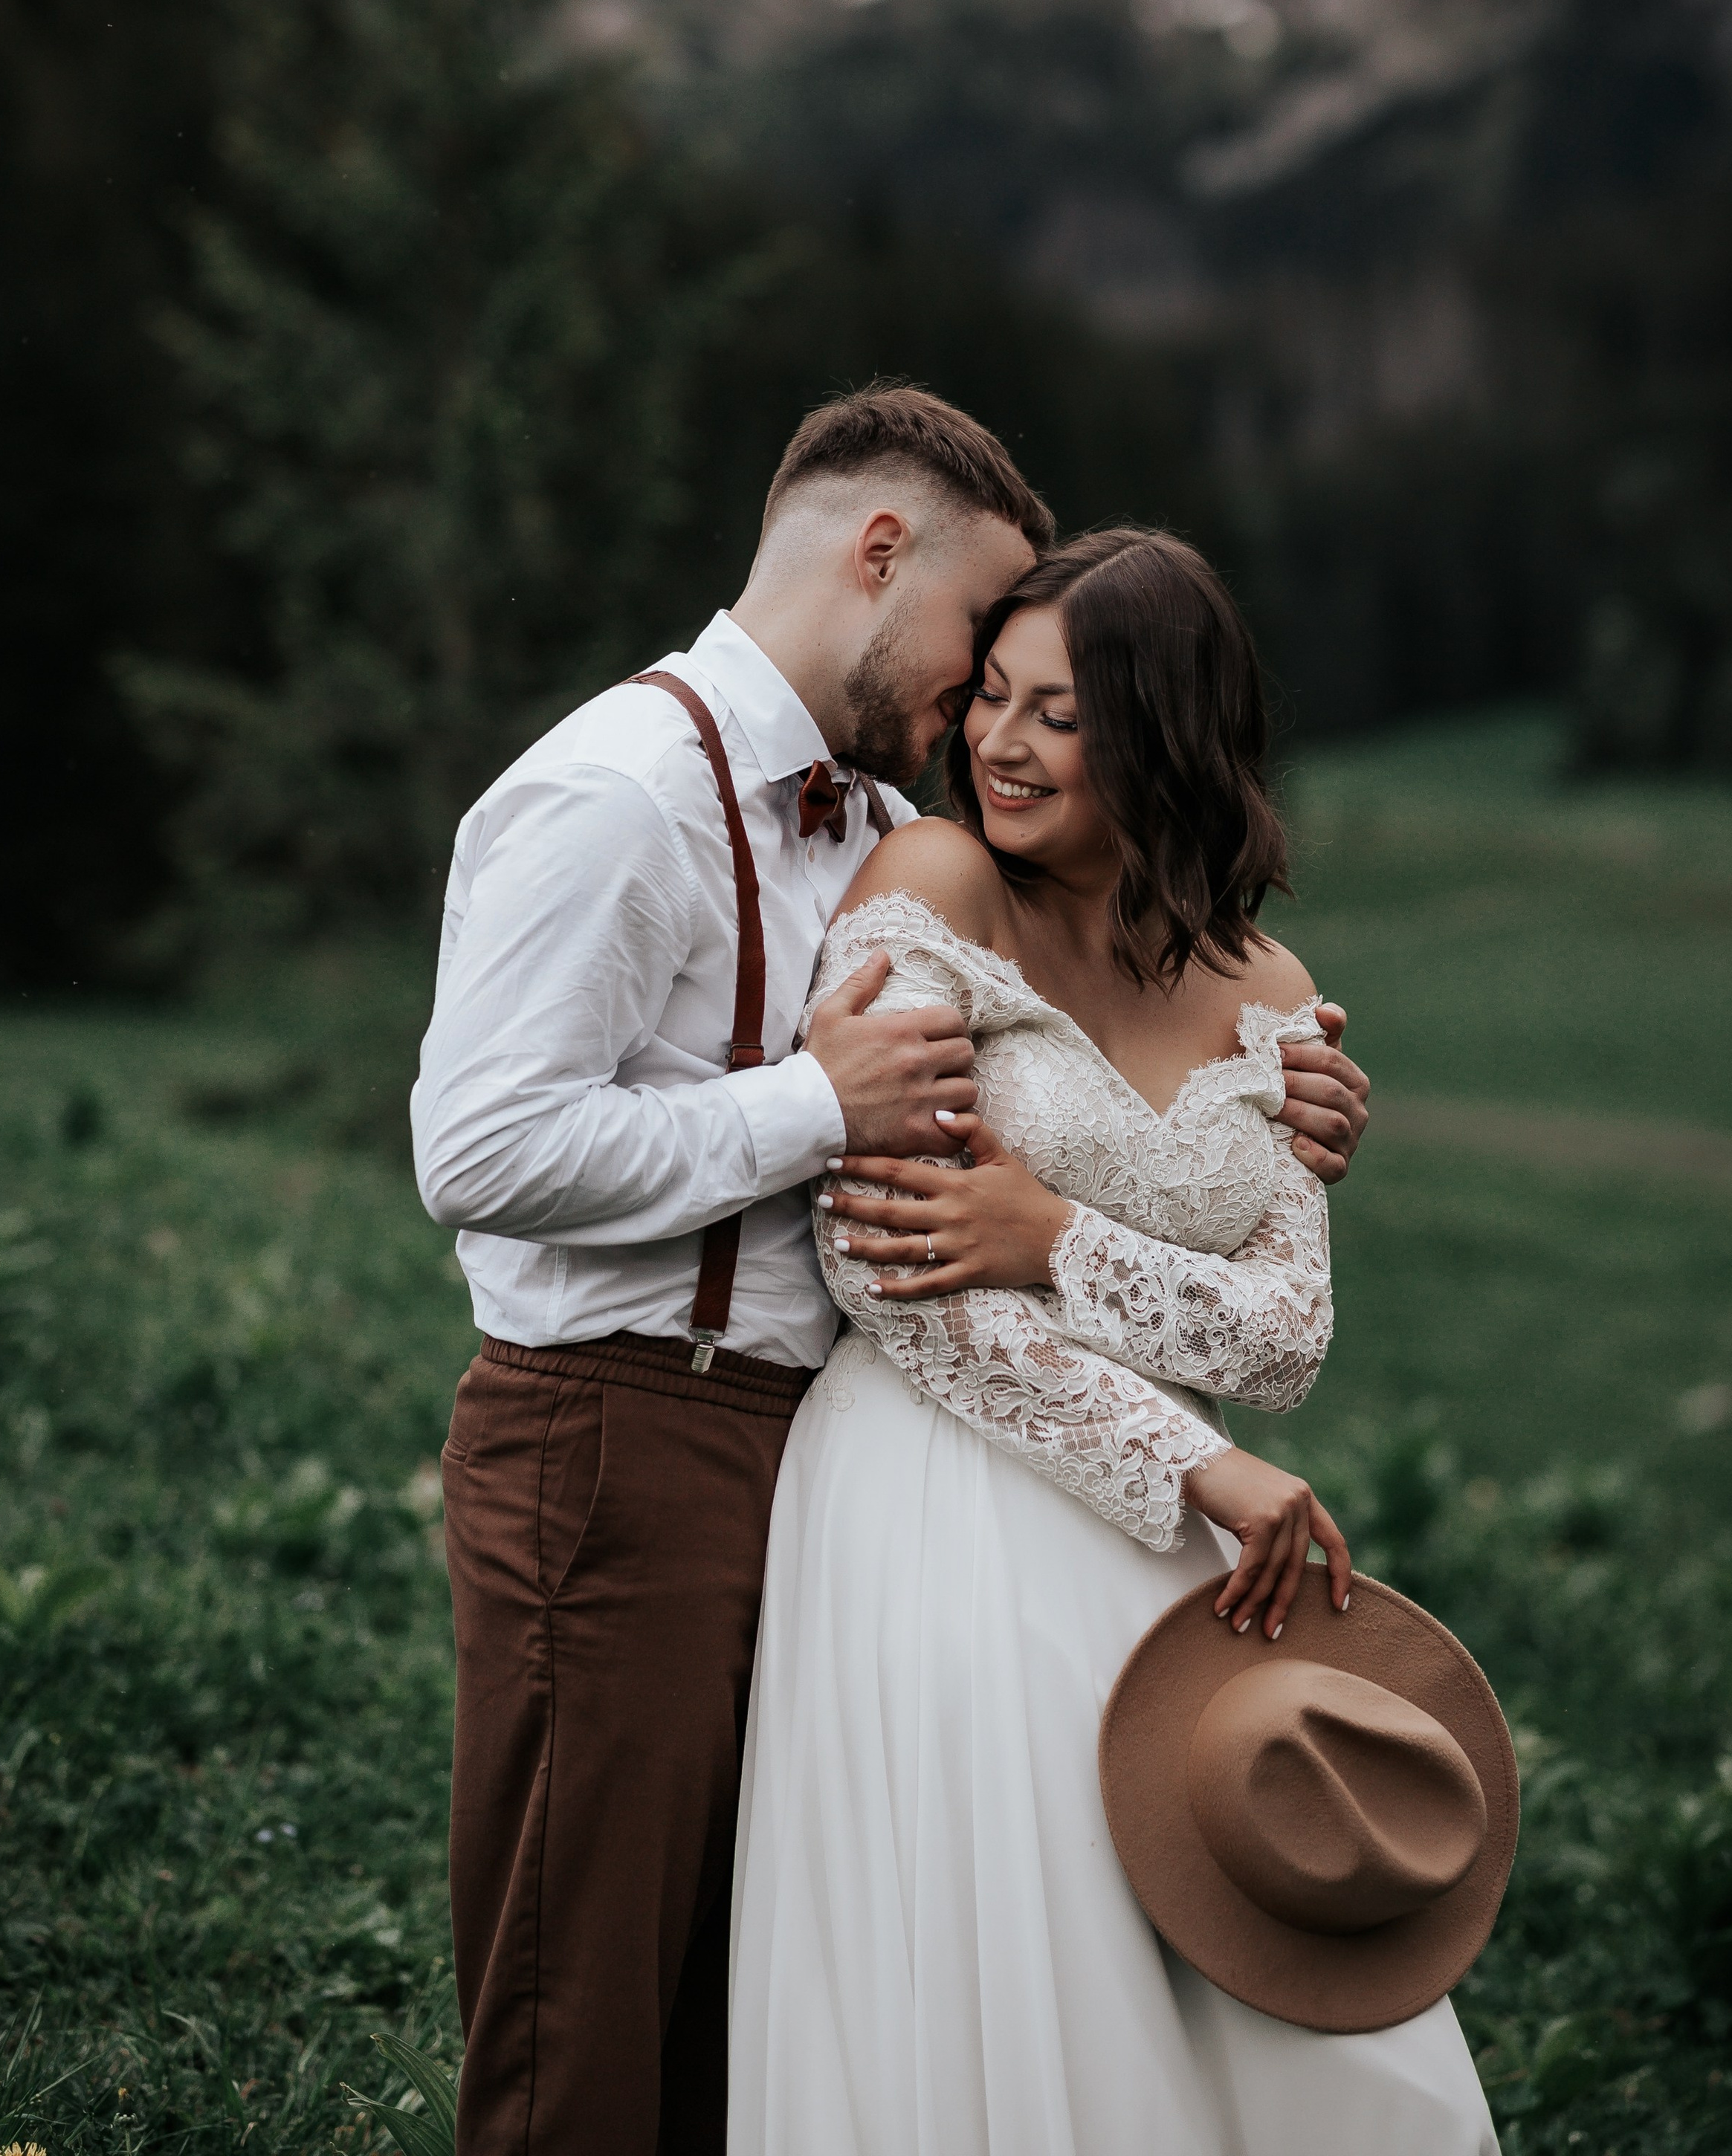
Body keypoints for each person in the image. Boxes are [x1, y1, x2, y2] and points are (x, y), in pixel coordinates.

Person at [413, 395, 1371, 2156]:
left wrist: (1270, 1099)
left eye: (1045, 700)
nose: (978, 720)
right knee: (582, 2012)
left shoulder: (855, 816)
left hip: (802, 1458)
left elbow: (1078, 1058)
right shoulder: (616, 791)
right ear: (879, 559)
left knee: (753, 2004)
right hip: (619, 1432)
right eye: (975, 659)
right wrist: (809, 1104)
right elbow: (475, 1154)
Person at [728, 526, 1494, 2155]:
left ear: (1161, 731)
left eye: (1057, 713)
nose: (996, 744)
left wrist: (1052, 1232)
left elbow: (1286, 1336)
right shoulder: (933, 889)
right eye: (989, 697)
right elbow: (888, 1277)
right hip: (940, 1489)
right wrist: (1195, 1456)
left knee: (1234, 1910)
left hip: (1171, 1534)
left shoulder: (1267, 986)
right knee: (1021, 1922)